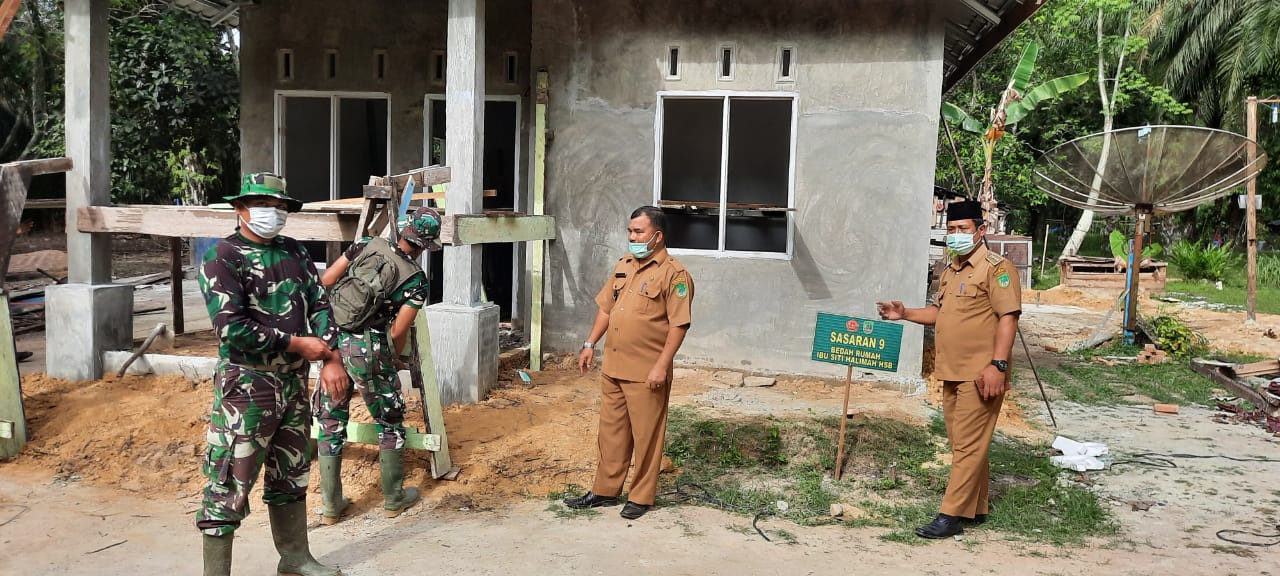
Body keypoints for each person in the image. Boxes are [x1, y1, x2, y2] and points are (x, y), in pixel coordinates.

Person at [197, 172, 349, 576]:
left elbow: (320, 305)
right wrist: (297, 345)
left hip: (293, 385)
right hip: (247, 387)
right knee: (229, 480)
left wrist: (330, 356)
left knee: (291, 470)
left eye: (281, 207)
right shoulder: (222, 257)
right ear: (241, 208)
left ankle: (295, 558)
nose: (275, 213)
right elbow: (231, 328)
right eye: (265, 205)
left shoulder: (296, 253)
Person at [875, 200, 1021, 539]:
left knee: (968, 444)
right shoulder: (952, 268)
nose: (956, 235)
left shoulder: (997, 269)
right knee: (963, 443)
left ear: (981, 231)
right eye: (951, 230)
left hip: (981, 371)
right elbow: (940, 313)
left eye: (963, 230)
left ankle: (950, 515)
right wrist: (905, 312)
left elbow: (1008, 318)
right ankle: (976, 507)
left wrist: (997, 365)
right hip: (951, 370)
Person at [564, 206, 694, 520]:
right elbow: (607, 308)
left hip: (646, 370)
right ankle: (606, 491)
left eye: (639, 232)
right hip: (614, 367)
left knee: (647, 435)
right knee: (611, 433)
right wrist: (589, 343)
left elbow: (679, 325)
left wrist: (661, 365)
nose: (631, 237)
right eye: (630, 231)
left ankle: (641, 496)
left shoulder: (674, 275)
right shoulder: (624, 265)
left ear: (657, 236)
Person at [314, 207, 442, 524]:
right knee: (389, 420)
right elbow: (398, 330)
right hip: (369, 350)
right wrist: (394, 358)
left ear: (403, 230)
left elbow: (326, 281)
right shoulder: (416, 281)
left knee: (330, 420)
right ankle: (394, 498)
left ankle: (331, 506)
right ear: (425, 245)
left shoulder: (366, 243)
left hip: (332, 344)